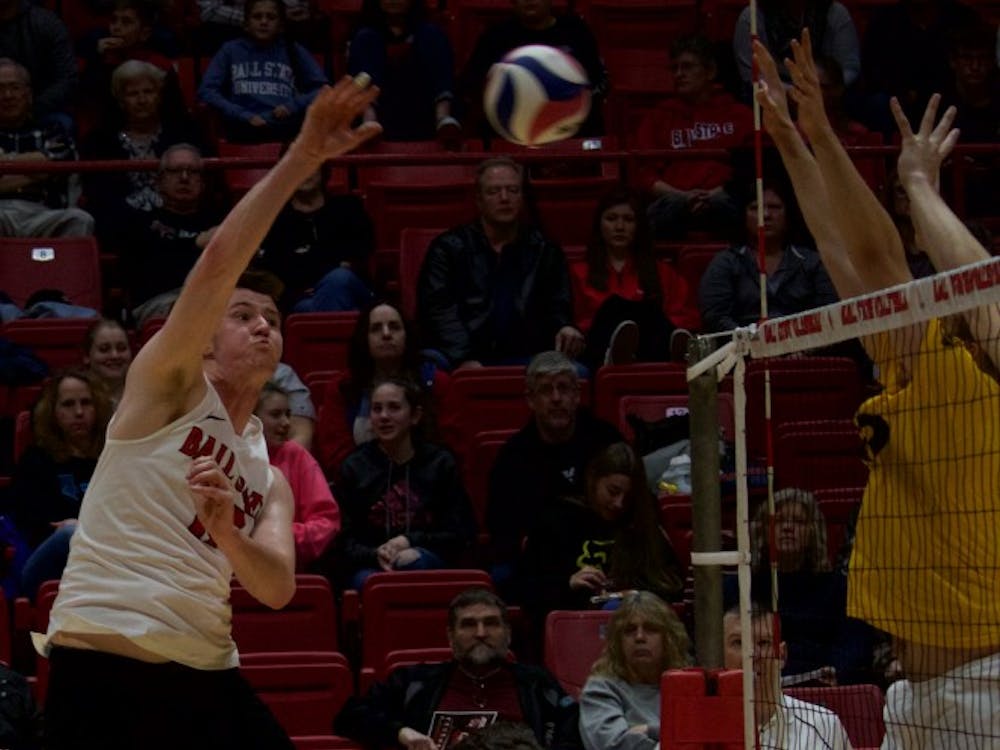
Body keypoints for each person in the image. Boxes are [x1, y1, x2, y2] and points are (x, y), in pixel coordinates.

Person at [36, 73, 382, 748]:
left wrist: (228, 531)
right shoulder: (165, 384)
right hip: (105, 663)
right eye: (243, 315)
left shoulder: (273, 471)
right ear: (200, 344)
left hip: (202, 670)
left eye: (273, 319)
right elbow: (220, 261)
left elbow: (278, 586)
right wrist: (302, 160)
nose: (262, 326)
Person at [754, 28, 1000, 745]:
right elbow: (849, 263)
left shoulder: (961, 370)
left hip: (981, 696)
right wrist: (795, 143)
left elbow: (881, 266)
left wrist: (828, 139)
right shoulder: (918, 371)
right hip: (922, 691)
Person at [334, 587, 583, 750]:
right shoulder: (414, 682)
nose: (481, 633)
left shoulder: (536, 684)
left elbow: (574, 733)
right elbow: (350, 715)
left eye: (491, 623)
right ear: (450, 635)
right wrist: (401, 733)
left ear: (507, 634)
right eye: (468, 625)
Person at [418, 157, 584, 371]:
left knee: (577, 372)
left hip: (527, 356)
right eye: (494, 191)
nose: (504, 198)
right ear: (479, 199)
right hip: (458, 354)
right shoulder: (448, 248)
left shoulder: (544, 249)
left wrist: (565, 327)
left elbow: (558, 305)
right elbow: (438, 310)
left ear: (522, 197)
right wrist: (464, 357)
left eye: (513, 190)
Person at [486, 351, 622, 593]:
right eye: (546, 390)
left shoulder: (606, 440)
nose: (556, 398)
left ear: (577, 395)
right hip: (544, 561)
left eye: (564, 388)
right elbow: (504, 535)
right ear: (530, 399)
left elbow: (630, 503)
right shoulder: (512, 458)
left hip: (604, 545)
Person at [518, 442, 685, 622]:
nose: (619, 503)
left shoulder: (642, 523)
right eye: (613, 491)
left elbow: (670, 584)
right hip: (575, 623)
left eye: (628, 497)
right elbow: (526, 591)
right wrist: (568, 583)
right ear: (593, 479)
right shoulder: (556, 520)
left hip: (638, 621)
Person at [336, 376, 476, 590]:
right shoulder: (354, 467)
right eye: (376, 409)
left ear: (415, 415)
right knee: (370, 583)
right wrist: (375, 553)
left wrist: (411, 541)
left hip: (428, 559)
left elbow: (460, 534)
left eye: (394, 408)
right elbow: (343, 542)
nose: (384, 416)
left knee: (413, 563)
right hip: (371, 566)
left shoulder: (440, 464)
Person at [747, 488, 874, 685]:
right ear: (763, 530)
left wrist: (834, 671)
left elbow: (855, 645)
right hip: (758, 684)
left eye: (798, 522)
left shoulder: (839, 589)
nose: (788, 528)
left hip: (824, 686)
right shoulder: (743, 586)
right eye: (778, 521)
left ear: (813, 532)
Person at [316, 300, 452, 478]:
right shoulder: (343, 388)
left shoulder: (436, 383)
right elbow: (336, 456)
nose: (386, 334)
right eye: (376, 328)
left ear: (406, 335)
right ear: (365, 338)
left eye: (394, 327)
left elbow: (452, 448)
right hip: (361, 486)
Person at [636, 34, 752, 241]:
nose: (679, 74)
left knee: (744, 206)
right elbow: (645, 176)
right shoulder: (658, 117)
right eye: (675, 68)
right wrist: (683, 197)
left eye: (687, 67)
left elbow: (750, 170)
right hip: (674, 202)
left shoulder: (740, 115)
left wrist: (714, 194)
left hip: (723, 198)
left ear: (710, 71)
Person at [9, 369, 113, 599]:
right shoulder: (36, 460)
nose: (79, 412)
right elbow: (29, 525)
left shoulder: (113, 457)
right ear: (53, 412)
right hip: (47, 563)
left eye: (86, 403)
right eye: (68, 404)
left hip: (108, 552)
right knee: (70, 534)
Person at [82, 59, 208, 248]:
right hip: (124, 226)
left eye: (148, 92)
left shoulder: (186, 133)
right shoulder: (100, 140)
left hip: (180, 218)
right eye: (133, 94)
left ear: (159, 95)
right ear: (121, 100)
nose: (142, 100)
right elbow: (99, 195)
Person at [571, 187, 698, 371]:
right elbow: (578, 323)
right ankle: (616, 354)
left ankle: (674, 355)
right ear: (599, 224)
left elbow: (685, 316)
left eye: (628, 220)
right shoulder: (579, 272)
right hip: (598, 350)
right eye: (611, 219)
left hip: (653, 349)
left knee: (650, 312)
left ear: (639, 226)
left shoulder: (662, 272)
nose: (620, 227)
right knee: (613, 307)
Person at [698, 179, 839, 333]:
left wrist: (801, 348)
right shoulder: (725, 263)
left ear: (788, 214)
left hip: (804, 350)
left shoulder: (813, 262)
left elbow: (828, 315)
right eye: (755, 208)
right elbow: (716, 317)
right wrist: (752, 342)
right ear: (743, 216)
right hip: (742, 350)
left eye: (774, 207)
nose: (765, 215)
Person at [459, 0, 607, 142]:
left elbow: (598, 82)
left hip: (570, 129)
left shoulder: (575, 31)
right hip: (509, 131)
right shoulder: (496, 36)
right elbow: (472, 84)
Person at [120, 143, 226, 323]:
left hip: (213, 299)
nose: (184, 178)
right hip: (159, 302)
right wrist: (197, 244)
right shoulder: (140, 223)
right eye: (175, 171)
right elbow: (154, 275)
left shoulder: (220, 221)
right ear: (159, 181)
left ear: (202, 182)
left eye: (192, 172)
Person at [198, 0, 328, 143]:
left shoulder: (293, 50)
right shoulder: (230, 50)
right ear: (246, 24)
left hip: (285, 128)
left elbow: (322, 89)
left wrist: (292, 106)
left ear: (281, 26)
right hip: (241, 126)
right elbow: (207, 91)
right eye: (257, 17)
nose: (264, 22)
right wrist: (242, 114)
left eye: (271, 17)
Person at [723, 604, 852, 749]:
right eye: (738, 643)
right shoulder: (703, 727)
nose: (752, 654)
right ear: (720, 654)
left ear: (782, 655)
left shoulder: (825, 726)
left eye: (764, 643)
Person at [255, 158, 375, 314]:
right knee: (312, 306)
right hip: (300, 300)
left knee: (338, 280)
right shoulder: (273, 217)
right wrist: (331, 261)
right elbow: (275, 268)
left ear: (323, 169)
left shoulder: (348, 208)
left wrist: (304, 263)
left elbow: (360, 254)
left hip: (350, 289)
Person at [578, 591, 692, 750]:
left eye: (650, 629)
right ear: (618, 641)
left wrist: (649, 730)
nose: (639, 637)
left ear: (669, 638)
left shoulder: (688, 683)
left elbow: (702, 733)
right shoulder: (600, 688)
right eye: (629, 630)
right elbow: (611, 745)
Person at [0, 59, 95, 238]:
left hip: (43, 213)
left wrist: (5, 163)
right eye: (0, 89)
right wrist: (37, 170)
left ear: (28, 94)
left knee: (80, 219)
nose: (7, 95)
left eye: (14, 87)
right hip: (1, 212)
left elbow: (54, 167)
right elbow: (44, 169)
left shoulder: (54, 130)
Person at [255, 381, 340, 571]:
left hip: (292, 569)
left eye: (288, 414)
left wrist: (277, 537)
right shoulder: (228, 454)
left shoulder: (297, 456)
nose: (286, 423)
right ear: (251, 418)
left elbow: (326, 523)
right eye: (276, 415)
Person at [348, 0, 460, 143]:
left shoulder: (426, 31)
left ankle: (444, 116)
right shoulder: (364, 33)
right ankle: (368, 119)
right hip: (383, 106)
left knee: (431, 34)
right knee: (366, 38)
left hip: (422, 106)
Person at [733, 0, 860, 102]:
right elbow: (752, 77)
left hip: (828, 92)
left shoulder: (835, 12)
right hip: (775, 96)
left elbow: (849, 67)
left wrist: (826, 89)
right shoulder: (752, 17)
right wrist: (794, 93)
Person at [0, 0, 77, 125]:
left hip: (39, 109)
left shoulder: (46, 23)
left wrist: (31, 108)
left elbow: (67, 78)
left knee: (63, 123)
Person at [81, 318, 132, 408]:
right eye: (104, 349)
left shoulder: (146, 393)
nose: (115, 356)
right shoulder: (76, 397)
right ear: (86, 356)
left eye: (122, 348)